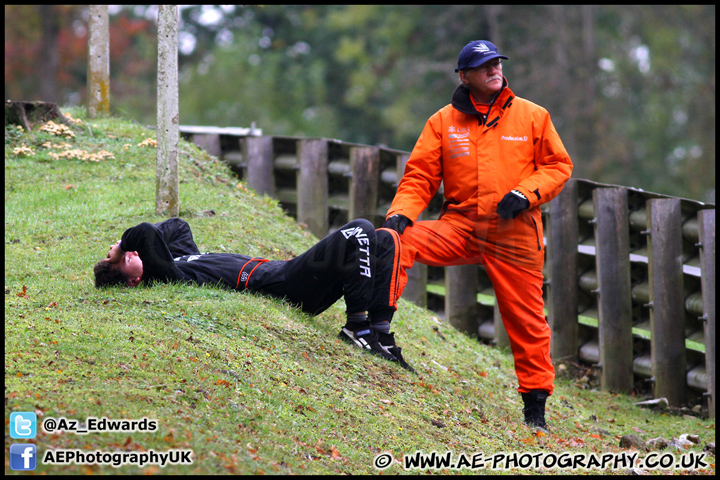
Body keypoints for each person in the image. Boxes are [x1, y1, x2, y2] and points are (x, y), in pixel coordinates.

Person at [383, 40, 573, 430]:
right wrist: (402, 214)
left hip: (514, 234)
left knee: (527, 322)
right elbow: (419, 175)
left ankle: (535, 410)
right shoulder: (442, 121)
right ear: (464, 76)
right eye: (484, 66)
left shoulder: (533, 116)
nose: (494, 70)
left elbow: (558, 166)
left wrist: (525, 194)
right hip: (460, 226)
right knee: (396, 241)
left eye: (497, 63)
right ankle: (377, 331)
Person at [93, 217, 414, 372]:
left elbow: (177, 227)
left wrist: (126, 253)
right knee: (360, 229)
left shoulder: (177, 259)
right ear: (133, 282)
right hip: (283, 284)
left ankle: (380, 334)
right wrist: (119, 247)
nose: (131, 253)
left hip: (286, 272)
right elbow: (145, 232)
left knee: (384, 239)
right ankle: (356, 328)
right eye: (124, 261)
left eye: (126, 253)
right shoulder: (166, 276)